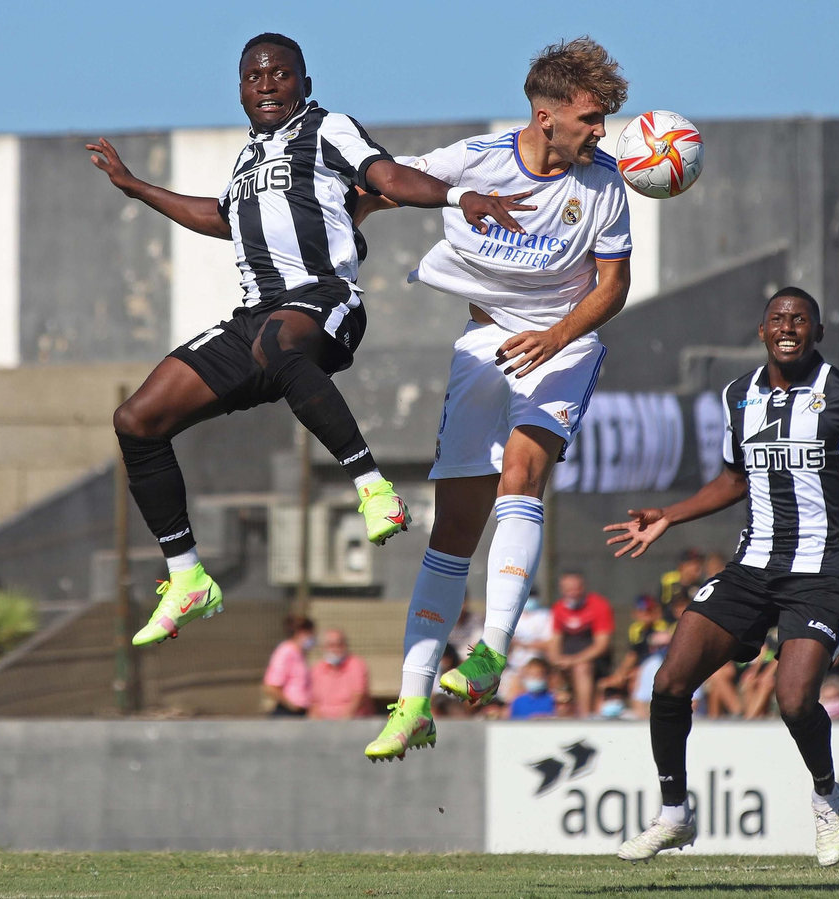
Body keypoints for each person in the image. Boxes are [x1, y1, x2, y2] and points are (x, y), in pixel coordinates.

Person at [90, 34, 528, 646]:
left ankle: (375, 489)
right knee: (136, 419)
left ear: (304, 84)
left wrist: (459, 195)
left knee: (276, 343)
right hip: (258, 317)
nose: (267, 83)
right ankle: (187, 576)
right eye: (253, 76)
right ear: (240, 90)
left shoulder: (327, 129)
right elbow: (220, 217)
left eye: (281, 73)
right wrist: (136, 187)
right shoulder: (249, 160)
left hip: (325, 301)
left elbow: (389, 176)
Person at [602, 287, 839, 866]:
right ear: (761, 331)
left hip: (821, 569)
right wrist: (669, 517)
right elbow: (733, 479)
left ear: (817, 332)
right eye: (778, 318)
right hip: (754, 564)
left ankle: (828, 795)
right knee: (669, 680)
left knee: (795, 700)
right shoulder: (738, 397)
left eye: (800, 319)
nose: (788, 326)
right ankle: (674, 814)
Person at [365, 39, 635, 758]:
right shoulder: (474, 159)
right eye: (592, 117)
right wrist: (345, 228)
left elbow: (613, 286)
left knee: (522, 473)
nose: (602, 131)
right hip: (483, 342)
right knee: (454, 524)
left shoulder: (603, 183)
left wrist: (556, 335)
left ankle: (489, 653)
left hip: (565, 341)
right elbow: (386, 185)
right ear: (547, 117)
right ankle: (415, 697)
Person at [544, 573, 616, 717]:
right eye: (567, 589)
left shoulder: (598, 605)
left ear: (583, 588)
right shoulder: (558, 608)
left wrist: (574, 660)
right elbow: (554, 641)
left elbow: (601, 645)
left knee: (582, 669)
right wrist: (556, 659)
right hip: (567, 657)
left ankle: (584, 715)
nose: (572, 593)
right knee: (550, 673)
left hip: (592, 660)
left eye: (575, 589)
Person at [309, 629, 371, 719]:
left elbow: (359, 696)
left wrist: (341, 722)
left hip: (351, 721)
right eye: (331, 645)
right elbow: (313, 701)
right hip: (322, 722)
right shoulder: (317, 669)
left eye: (339, 645)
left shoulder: (356, 665)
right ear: (324, 647)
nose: (335, 649)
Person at [501, 592, 554, 699]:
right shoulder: (509, 616)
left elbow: (549, 643)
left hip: (538, 663)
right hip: (514, 666)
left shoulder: (545, 616)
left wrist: (522, 643)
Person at [263, 615, 315, 717]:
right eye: (310, 633)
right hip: (288, 713)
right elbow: (271, 686)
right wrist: (292, 705)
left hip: (302, 712)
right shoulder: (286, 652)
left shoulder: (300, 654)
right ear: (300, 632)